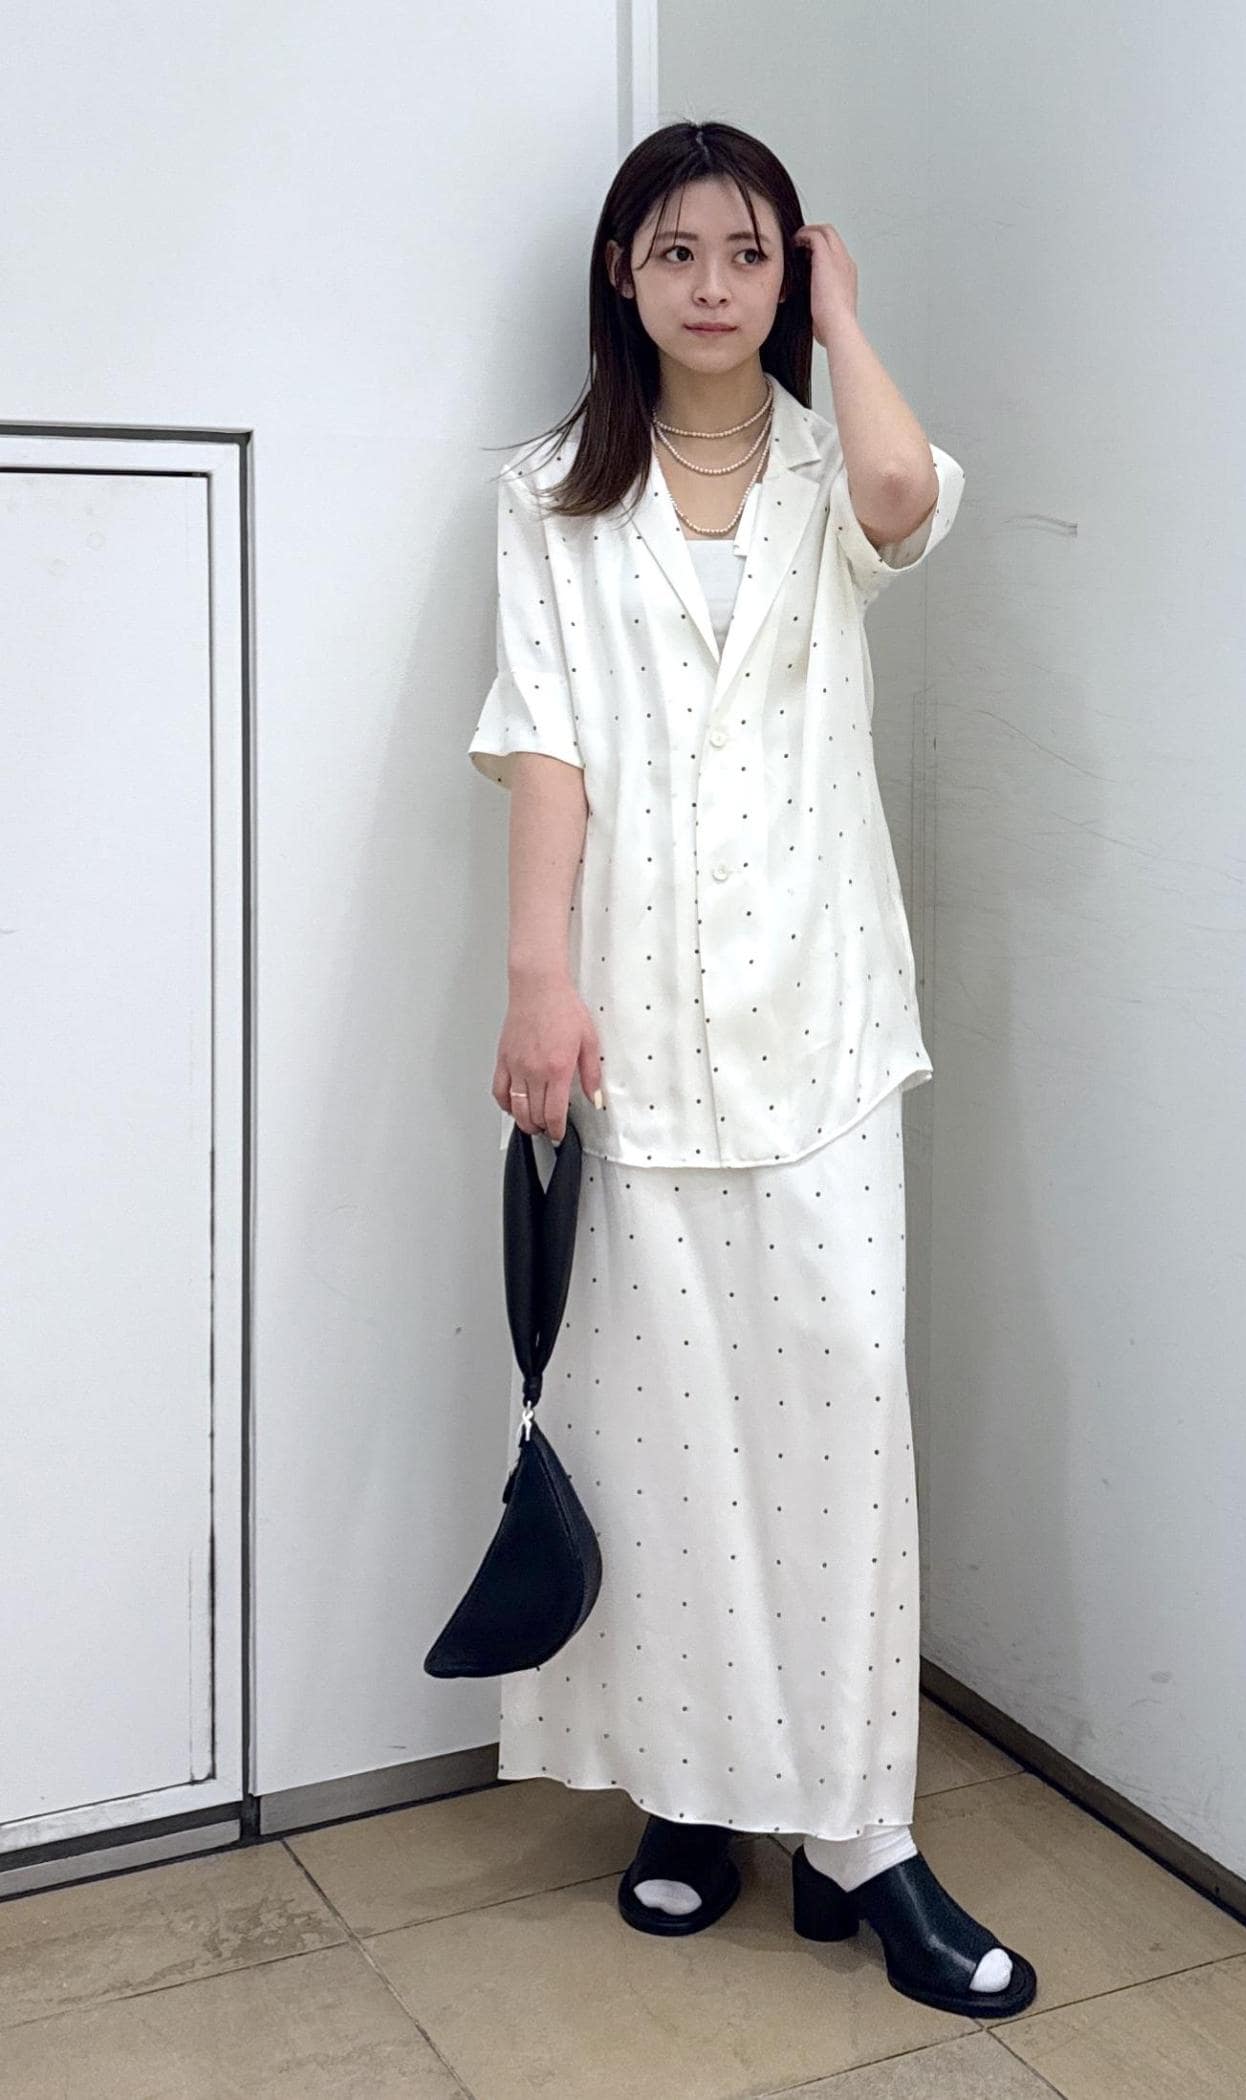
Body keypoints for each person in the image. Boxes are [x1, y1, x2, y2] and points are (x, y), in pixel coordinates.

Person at [468, 117, 1037, 2021]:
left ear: (789, 272)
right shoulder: (549, 490)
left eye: (749, 253)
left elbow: (904, 500)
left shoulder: (822, 466)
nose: (711, 285)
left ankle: (863, 1834)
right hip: (631, 1015)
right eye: (675, 252)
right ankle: (693, 1798)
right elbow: (547, 742)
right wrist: (537, 980)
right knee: (666, 1429)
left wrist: (846, 321)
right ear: (620, 274)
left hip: (823, 1013)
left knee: (843, 1406)